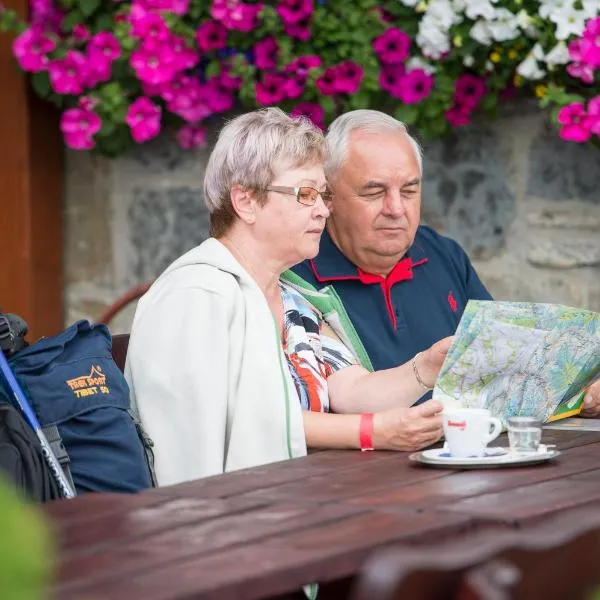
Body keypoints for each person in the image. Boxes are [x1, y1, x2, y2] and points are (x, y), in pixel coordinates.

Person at [125, 108, 450, 487]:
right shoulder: (195, 295)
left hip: (303, 500)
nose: (323, 209)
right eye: (306, 194)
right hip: (228, 517)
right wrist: (371, 432)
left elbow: (353, 391)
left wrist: (425, 367)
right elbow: (233, 423)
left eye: (324, 195)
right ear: (245, 201)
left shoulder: (292, 297)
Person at [287, 109, 600, 414]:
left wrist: (577, 394)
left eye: (409, 190)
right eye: (374, 192)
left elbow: (503, 374)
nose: (396, 208)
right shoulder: (296, 277)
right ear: (328, 197)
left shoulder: (443, 255)